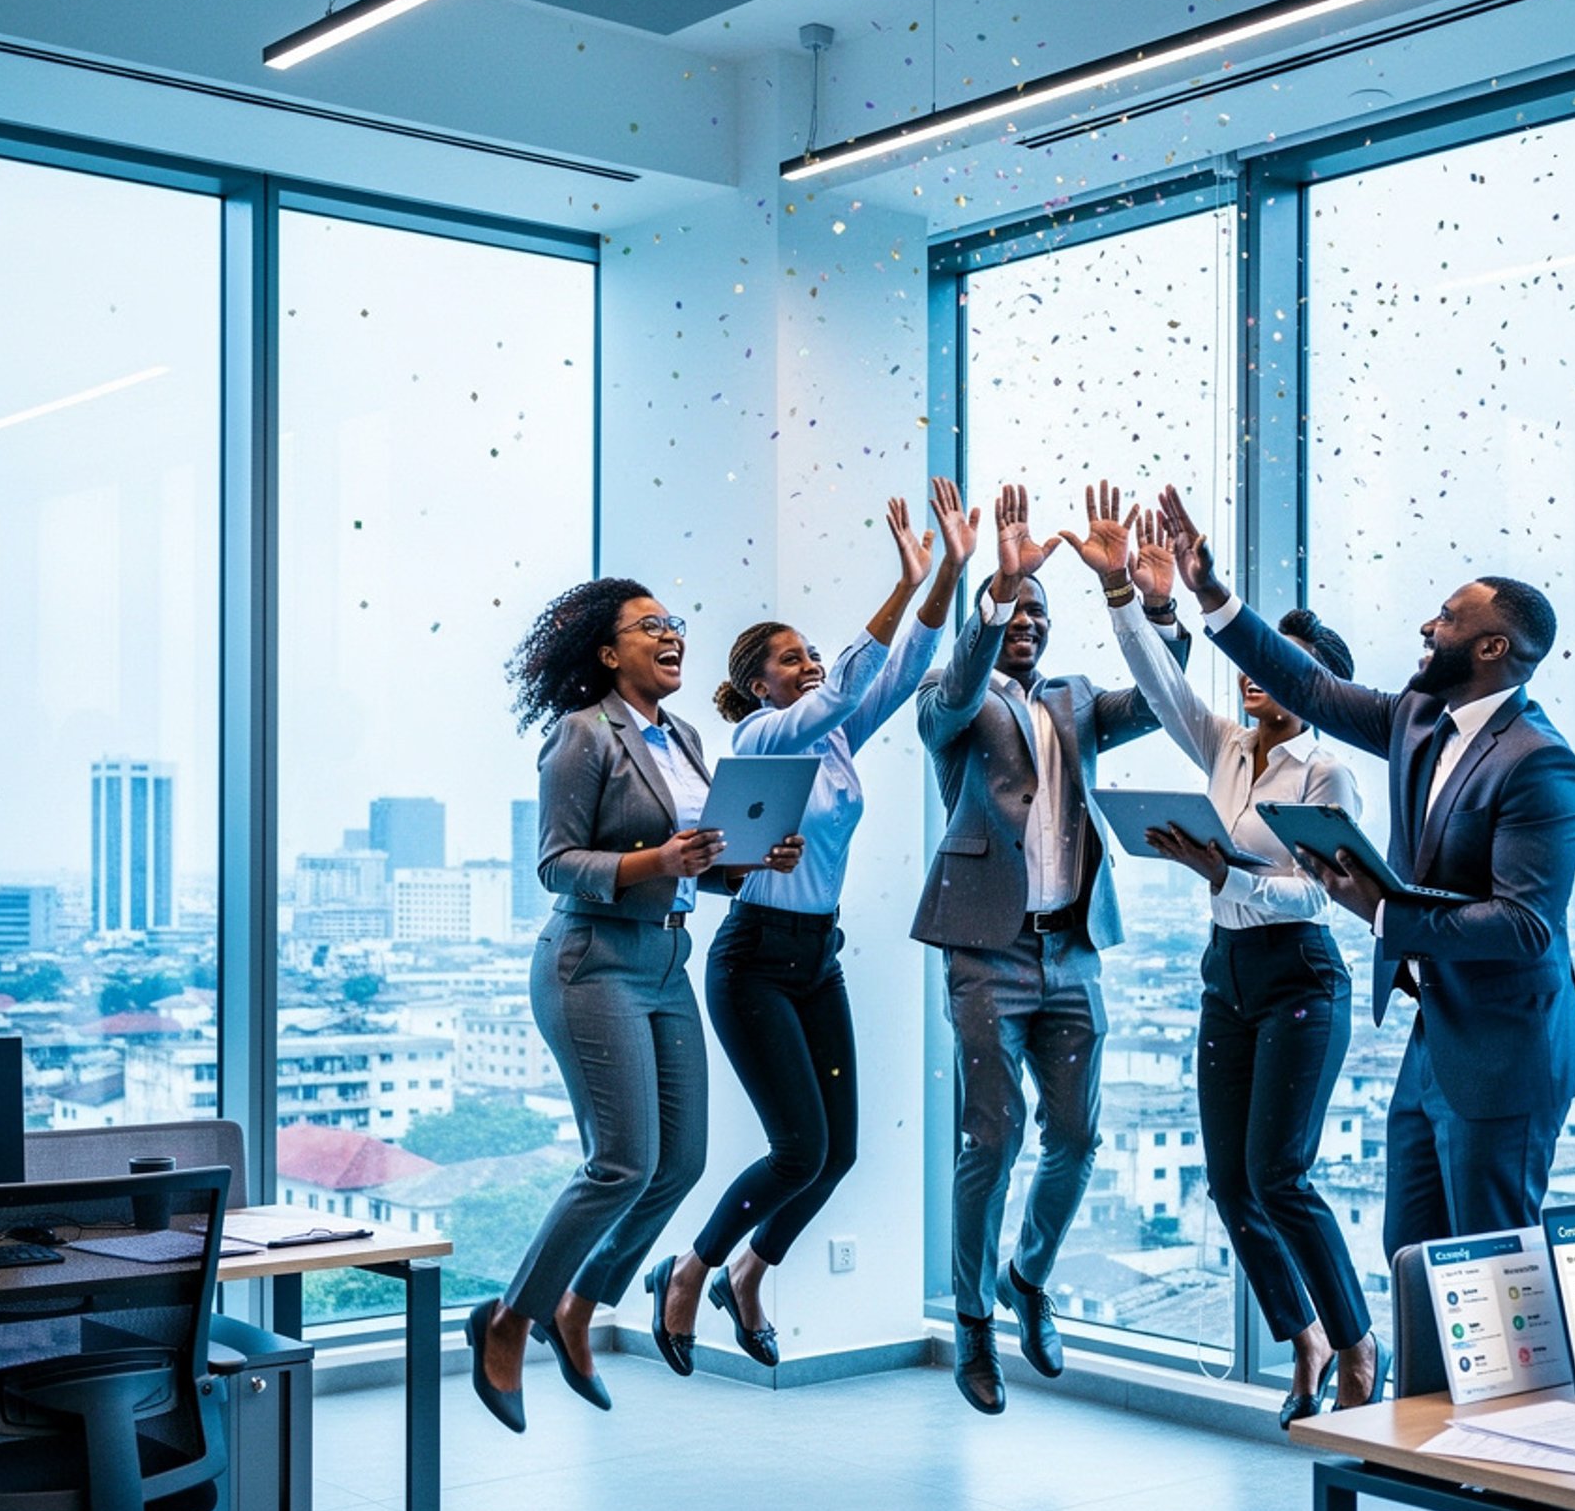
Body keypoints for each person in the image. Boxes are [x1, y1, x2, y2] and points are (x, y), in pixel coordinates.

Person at [1161, 484, 1575, 1511]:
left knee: (1493, 1278)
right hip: (1439, 1036)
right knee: (1414, 1251)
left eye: (1449, 619)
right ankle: (1444, 1461)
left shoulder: (1542, 766)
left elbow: (1524, 930)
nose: (1428, 626)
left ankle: (1514, 1502)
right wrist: (1213, 597)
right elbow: (1309, 687)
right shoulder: (1418, 717)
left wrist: (1383, 909)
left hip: (1507, 1050)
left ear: (1497, 648)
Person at [1076, 491, 1385, 1423]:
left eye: (1276, 669)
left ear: (1311, 683)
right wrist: (1131, 596)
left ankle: (1360, 1344)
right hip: (1228, 976)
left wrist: (1227, 874)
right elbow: (1162, 683)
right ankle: (1306, 1342)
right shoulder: (1225, 745)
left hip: (1300, 973)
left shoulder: (1328, 773)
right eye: (1253, 667)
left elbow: (1325, 893)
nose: (1254, 679)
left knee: (1279, 1176)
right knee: (1226, 1182)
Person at [656, 481, 976, 1365]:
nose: (807, 668)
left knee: (837, 1154)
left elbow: (904, 667)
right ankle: (690, 1270)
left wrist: (946, 569)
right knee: (799, 1148)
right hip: (753, 960)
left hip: (815, 959)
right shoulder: (764, 737)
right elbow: (840, 689)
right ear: (757, 683)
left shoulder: (833, 740)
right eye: (790, 659)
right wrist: (901, 583)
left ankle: (748, 1273)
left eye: (809, 657)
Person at [469, 580, 802, 1428]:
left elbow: (702, 864)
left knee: (680, 1161)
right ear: (609, 652)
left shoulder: (685, 737)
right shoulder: (582, 736)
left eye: (675, 624)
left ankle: (581, 1305)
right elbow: (554, 865)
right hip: (591, 960)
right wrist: (658, 862)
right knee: (621, 1161)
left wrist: (754, 861)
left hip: (665, 960)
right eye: (649, 626)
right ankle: (509, 1321)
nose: (671, 636)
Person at [914, 483, 1188, 1414]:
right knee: (990, 1137)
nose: (1025, 619)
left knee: (1075, 1134)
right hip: (984, 952)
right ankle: (973, 1327)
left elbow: (1160, 696)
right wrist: (997, 586)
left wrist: (1150, 602)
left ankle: (1026, 1278)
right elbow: (954, 688)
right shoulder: (952, 701)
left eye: (1036, 610)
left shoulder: (1077, 702)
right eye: (1013, 608)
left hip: (1072, 951)